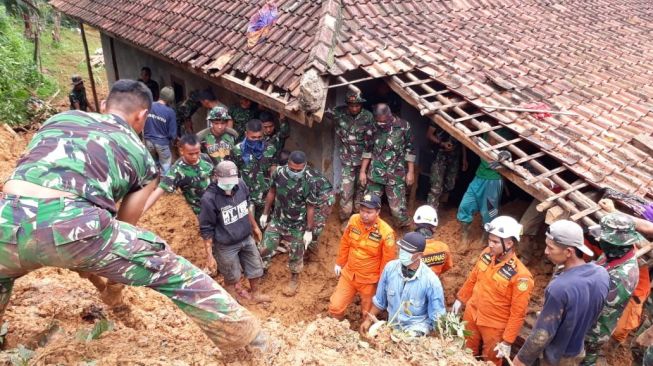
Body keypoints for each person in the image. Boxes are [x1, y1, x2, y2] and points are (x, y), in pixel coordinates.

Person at [0, 79, 265, 350]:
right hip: (75, 228)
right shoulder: (140, 155)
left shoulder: (59, 119)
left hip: (5, 221)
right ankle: (246, 337)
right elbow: (124, 225)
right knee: (171, 268)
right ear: (142, 116)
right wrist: (110, 282)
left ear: (104, 106)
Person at [513, 220, 609, 366]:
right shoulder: (601, 274)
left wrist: (520, 360)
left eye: (550, 248)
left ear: (569, 251)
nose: (545, 251)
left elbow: (541, 335)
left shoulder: (560, 288)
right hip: (577, 351)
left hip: (556, 358)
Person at [452, 215, 534, 365]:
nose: (490, 244)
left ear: (509, 243)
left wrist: (508, 341)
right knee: (462, 351)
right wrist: (460, 299)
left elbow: (518, 313)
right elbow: (473, 279)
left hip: (494, 325)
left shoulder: (521, 276)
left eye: (495, 242)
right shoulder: (486, 255)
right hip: (472, 313)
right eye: (490, 240)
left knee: (490, 360)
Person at [199, 161, 269, 304]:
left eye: (232, 181)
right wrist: (209, 255)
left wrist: (255, 226)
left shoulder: (241, 185)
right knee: (231, 275)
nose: (229, 186)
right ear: (216, 177)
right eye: (226, 182)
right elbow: (206, 229)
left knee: (255, 267)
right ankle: (232, 303)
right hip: (225, 245)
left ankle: (256, 294)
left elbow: (245, 206)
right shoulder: (209, 199)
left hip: (245, 237)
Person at [582, 213, 643, 365]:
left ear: (616, 243)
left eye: (604, 239)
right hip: (588, 321)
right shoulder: (614, 254)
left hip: (593, 330)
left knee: (584, 359)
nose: (600, 241)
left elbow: (597, 306)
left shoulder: (622, 276)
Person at [359, 232, 446, 337]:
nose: (403, 253)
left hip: (416, 330)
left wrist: (442, 339)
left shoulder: (431, 281)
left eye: (408, 251)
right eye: (402, 248)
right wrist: (368, 321)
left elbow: (437, 315)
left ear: (419, 255)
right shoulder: (390, 268)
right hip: (393, 326)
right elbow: (380, 301)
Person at [328, 194, 395, 320]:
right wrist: (339, 262)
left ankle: (364, 335)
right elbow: (345, 242)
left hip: (369, 280)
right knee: (335, 307)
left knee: (368, 314)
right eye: (362, 210)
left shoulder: (386, 233)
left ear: (378, 212)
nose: (364, 215)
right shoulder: (354, 220)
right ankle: (335, 330)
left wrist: (382, 283)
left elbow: (387, 262)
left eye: (369, 212)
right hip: (349, 275)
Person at [259, 150, 317, 296]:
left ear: (304, 166)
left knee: (296, 253)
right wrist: (265, 213)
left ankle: (294, 278)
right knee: (266, 247)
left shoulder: (310, 180)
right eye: (292, 169)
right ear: (287, 164)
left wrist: (309, 230)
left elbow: (310, 206)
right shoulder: (278, 173)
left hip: (297, 225)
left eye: (299, 170)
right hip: (278, 220)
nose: (295, 172)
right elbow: (272, 192)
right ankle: (263, 271)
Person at [360, 103, 415, 229]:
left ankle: (403, 230)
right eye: (378, 121)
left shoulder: (404, 126)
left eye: (383, 122)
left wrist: (410, 172)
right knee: (369, 206)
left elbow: (410, 150)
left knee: (397, 210)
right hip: (375, 175)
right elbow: (367, 150)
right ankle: (368, 230)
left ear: (389, 115)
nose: (381, 124)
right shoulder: (372, 127)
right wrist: (363, 171)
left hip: (395, 175)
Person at [329, 90, 375, 223]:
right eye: (351, 105)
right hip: (347, 160)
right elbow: (324, 113)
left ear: (361, 105)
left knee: (361, 189)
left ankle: (358, 218)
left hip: (363, 161)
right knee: (346, 191)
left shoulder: (368, 117)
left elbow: (369, 146)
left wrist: (362, 171)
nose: (354, 108)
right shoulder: (339, 113)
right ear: (347, 104)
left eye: (357, 105)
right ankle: (345, 218)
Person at [142, 134, 214, 216]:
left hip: (215, 204)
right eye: (190, 154)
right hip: (201, 212)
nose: (194, 156)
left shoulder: (205, 158)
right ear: (182, 151)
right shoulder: (177, 170)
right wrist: (141, 211)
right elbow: (160, 190)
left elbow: (214, 176)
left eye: (197, 152)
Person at [230, 119, 277, 221]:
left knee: (263, 226)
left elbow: (273, 169)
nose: (256, 140)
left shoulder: (270, 149)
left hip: (264, 197)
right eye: (253, 137)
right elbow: (234, 175)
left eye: (259, 137)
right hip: (245, 198)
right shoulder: (237, 150)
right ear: (246, 134)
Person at [456, 154, 504, 248]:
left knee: (490, 214)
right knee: (465, 206)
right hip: (478, 177)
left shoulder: (506, 140)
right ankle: (465, 237)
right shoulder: (482, 139)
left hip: (493, 180)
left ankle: (484, 239)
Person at [426, 125, 467, 209]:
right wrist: (442, 143)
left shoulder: (461, 121)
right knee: (436, 187)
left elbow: (463, 141)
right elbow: (429, 135)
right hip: (439, 156)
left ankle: (440, 202)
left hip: (454, 158)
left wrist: (464, 159)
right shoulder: (439, 116)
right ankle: (431, 211)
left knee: (450, 184)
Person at [143, 86, 177, 173]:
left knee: (153, 165)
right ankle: (164, 184)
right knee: (165, 166)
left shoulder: (149, 105)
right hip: (162, 144)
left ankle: (153, 183)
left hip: (148, 141)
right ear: (170, 99)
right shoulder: (170, 112)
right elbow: (172, 134)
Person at [413, 205, 453, 276]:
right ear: (434, 227)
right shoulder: (443, 248)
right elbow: (447, 266)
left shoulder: (408, 246)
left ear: (415, 223)